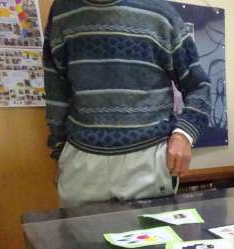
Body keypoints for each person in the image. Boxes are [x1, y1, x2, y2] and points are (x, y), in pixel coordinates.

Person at [43, 0, 212, 207]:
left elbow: (199, 85)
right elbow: (56, 92)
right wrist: (59, 151)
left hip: (148, 158)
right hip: (81, 159)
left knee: (153, 229)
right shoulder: (62, 12)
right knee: (79, 229)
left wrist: (184, 135)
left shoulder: (161, 13)